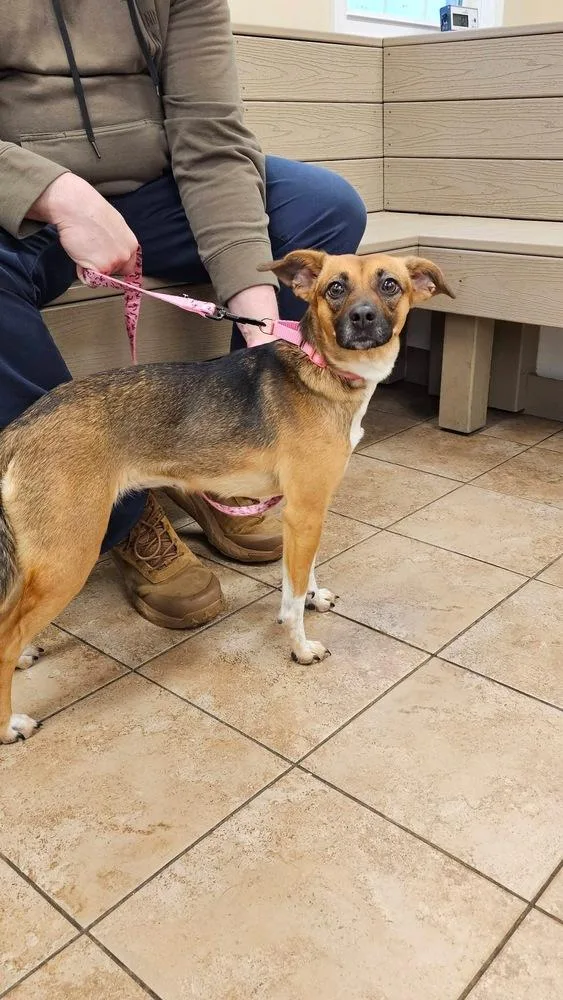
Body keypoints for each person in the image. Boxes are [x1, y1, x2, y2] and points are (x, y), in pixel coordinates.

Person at [0, 0, 366, 629]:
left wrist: (258, 323)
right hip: (19, 206)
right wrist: (49, 193)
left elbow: (213, 141)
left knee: (324, 208)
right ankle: (116, 507)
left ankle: (222, 468)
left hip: (153, 194)